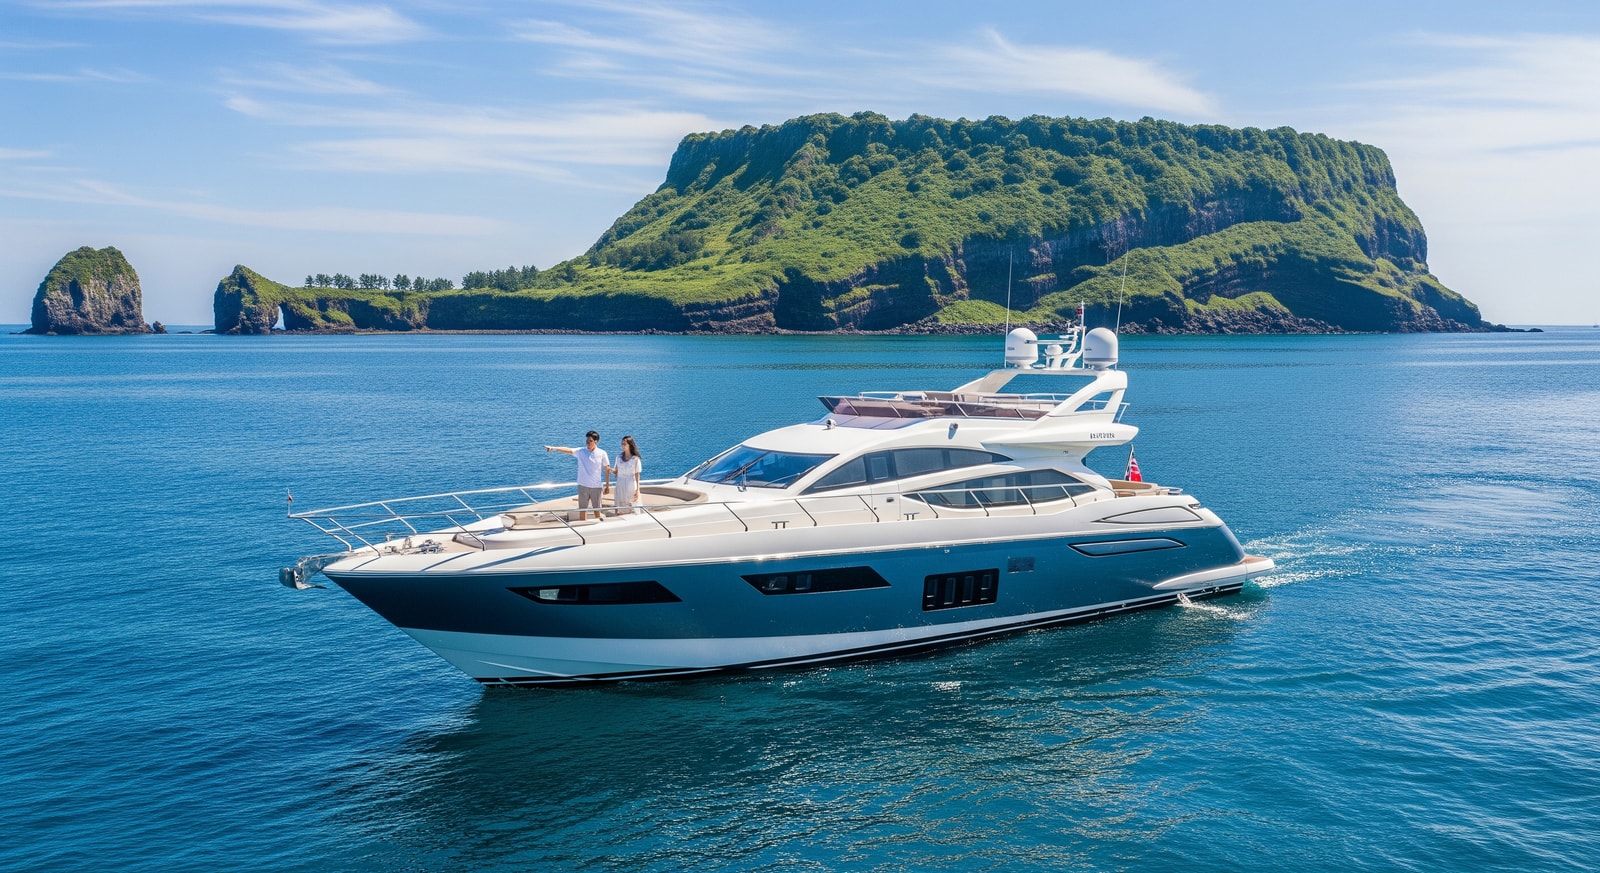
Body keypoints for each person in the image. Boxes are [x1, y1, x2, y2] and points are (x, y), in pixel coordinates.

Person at [544, 430, 610, 521]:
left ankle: (598, 527)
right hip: (583, 485)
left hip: (596, 487)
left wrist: (607, 485)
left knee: (597, 510)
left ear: (596, 441)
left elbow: (607, 469)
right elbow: (568, 450)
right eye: (587, 440)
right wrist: (554, 448)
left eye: (590, 441)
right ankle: (583, 527)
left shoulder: (602, 453)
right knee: (582, 510)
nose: (588, 442)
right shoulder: (581, 451)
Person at [610, 436, 643, 514]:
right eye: (622, 443)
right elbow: (616, 473)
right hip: (620, 484)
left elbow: (637, 476)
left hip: (631, 484)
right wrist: (609, 469)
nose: (623, 445)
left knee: (632, 506)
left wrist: (637, 490)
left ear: (630, 445)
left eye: (625, 444)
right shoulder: (618, 458)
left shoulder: (635, 459)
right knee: (619, 506)